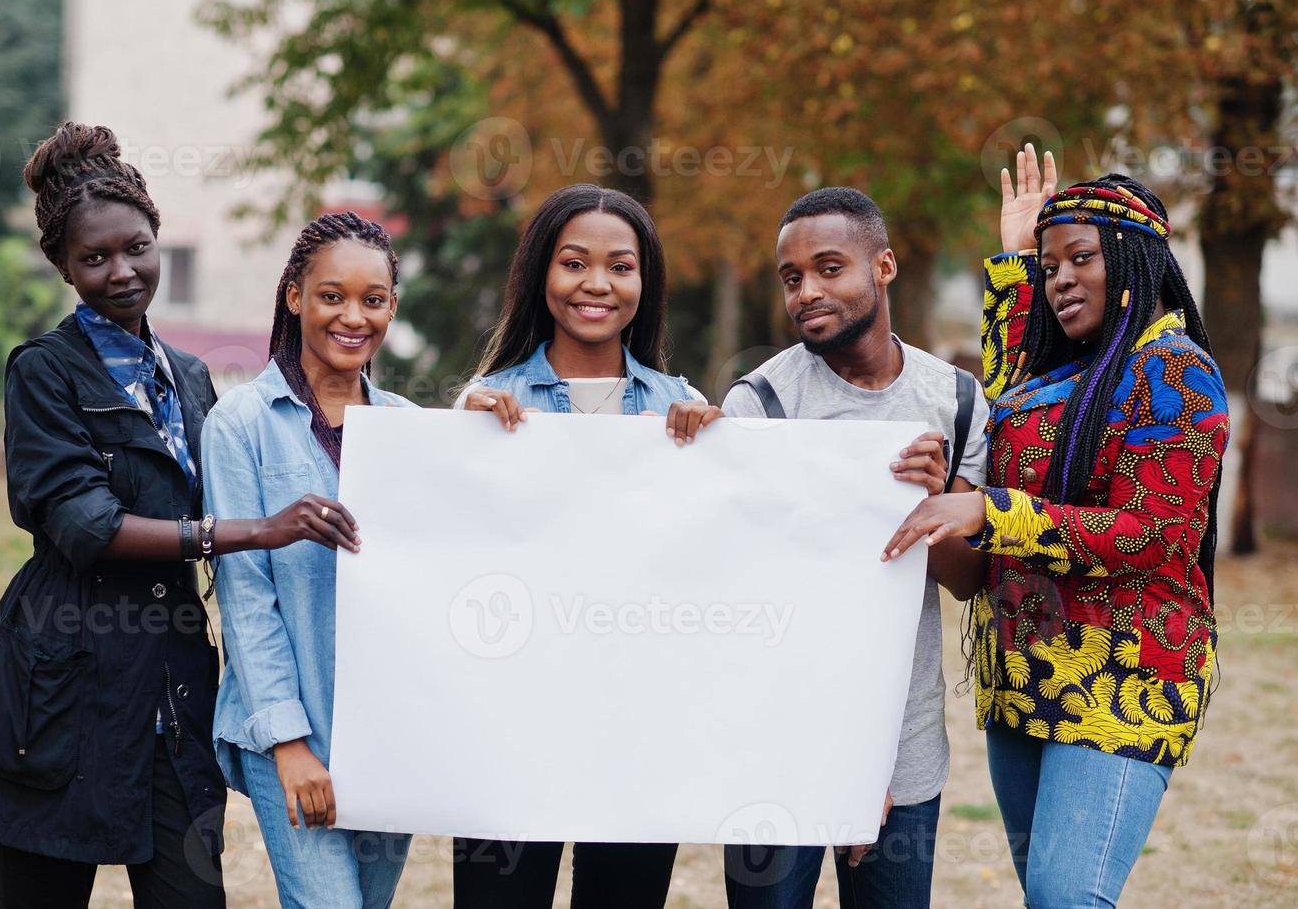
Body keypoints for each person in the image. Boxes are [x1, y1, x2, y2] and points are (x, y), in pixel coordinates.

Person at [0, 122, 342, 907]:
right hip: (60, 689)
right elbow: (87, 528)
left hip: (174, 687)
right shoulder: (43, 374)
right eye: (94, 258)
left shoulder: (190, 378)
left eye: (136, 247)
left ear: (157, 238)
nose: (121, 272)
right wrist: (253, 530)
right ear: (63, 266)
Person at [883, 146, 1227, 907]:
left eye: (1081, 258)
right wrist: (1014, 264)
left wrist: (991, 511)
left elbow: (1153, 531)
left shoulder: (1172, 371)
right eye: (1050, 267)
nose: (1061, 278)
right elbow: (1004, 403)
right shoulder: (1053, 370)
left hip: (1125, 677)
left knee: (1065, 897)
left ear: (1134, 261)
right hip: (1023, 676)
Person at [711, 187, 989, 909]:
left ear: (885, 266)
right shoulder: (760, 406)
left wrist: (930, 513)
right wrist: (835, 762)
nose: (807, 291)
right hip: (779, 746)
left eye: (829, 268)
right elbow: (748, 599)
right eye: (791, 277)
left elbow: (967, 582)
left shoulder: (955, 400)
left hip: (905, 741)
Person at [451, 183, 705, 908]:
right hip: (508, 732)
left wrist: (723, 461)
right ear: (541, 274)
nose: (596, 284)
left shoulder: (680, 408)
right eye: (573, 262)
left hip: (635, 735)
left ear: (644, 282)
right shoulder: (482, 405)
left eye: (620, 267)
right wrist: (452, 445)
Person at [200, 211, 414, 907]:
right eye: (332, 295)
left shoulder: (408, 430)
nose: (353, 316)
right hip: (293, 726)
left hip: (388, 732)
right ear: (294, 295)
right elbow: (244, 597)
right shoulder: (240, 424)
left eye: (373, 300)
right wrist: (289, 743)